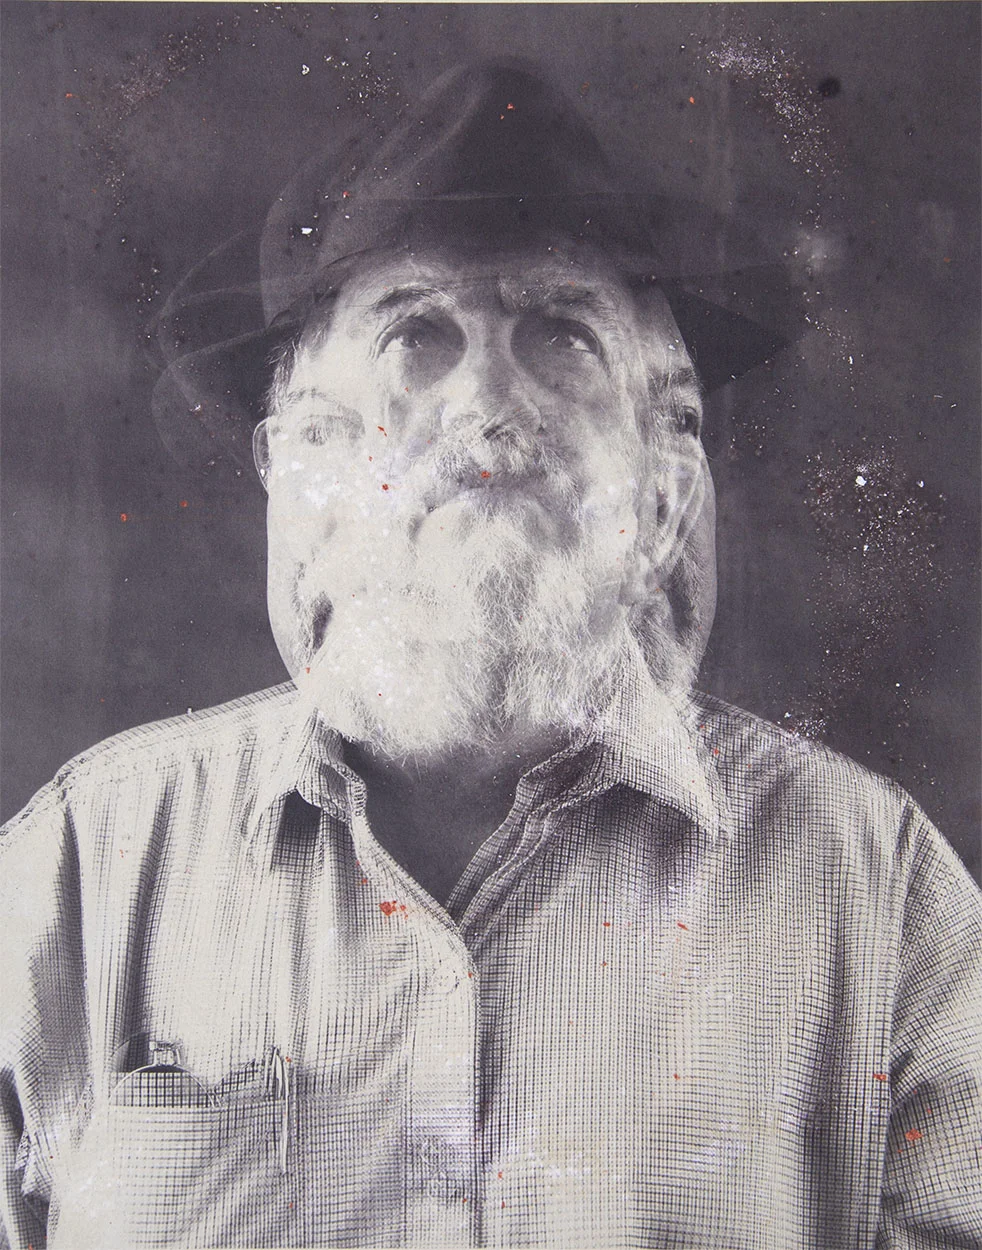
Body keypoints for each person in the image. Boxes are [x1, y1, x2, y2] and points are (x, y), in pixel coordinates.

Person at [1, 62, 980, 1250]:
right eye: (415, 335)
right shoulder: (81, 870)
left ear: (666, 467)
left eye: (559, 334)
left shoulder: (875, 891)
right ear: (303, 460)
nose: (486, 401)